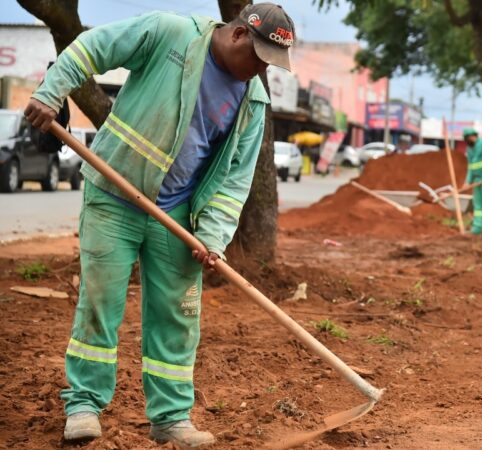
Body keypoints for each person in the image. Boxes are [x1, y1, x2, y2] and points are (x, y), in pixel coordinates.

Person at [24, 3, 294, 447]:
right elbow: (92, 47)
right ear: (241, 36)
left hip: (178, 217)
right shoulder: (171, 34)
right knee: (100, 305)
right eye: (260, 59)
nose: (261, 71)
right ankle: (84, 405)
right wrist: (52, 93)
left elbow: (233, 182)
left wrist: (212, 236)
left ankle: (170, 418)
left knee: (178, 319)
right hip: (114, 197)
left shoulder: (254, 102)